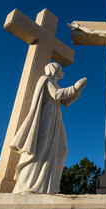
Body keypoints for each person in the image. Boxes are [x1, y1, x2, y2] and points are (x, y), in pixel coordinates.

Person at [10, 62, 86, 194]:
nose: (63, 71)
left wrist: (77, 90)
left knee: (61, 150)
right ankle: (27, 186)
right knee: (41, 150)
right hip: (45, 120)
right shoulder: (45, 80)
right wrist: (74, 87)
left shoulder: (54, 84)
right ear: (54, 70)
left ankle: (48, 186)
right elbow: (56, 94)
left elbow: (65, 102)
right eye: (60, 69)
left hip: (55, 122)